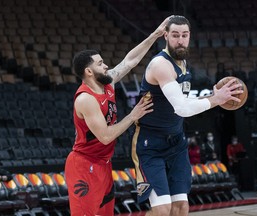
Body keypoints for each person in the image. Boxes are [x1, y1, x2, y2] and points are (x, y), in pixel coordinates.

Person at [131, 15, 244, 216]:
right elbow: (181, 109)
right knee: (163, 210)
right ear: (165, 36)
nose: (180, 40)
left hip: (176, 143)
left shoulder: (183, 63)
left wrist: (214, 96)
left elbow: (185, 103)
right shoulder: (161, 65)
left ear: (190, 36)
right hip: (151, 144)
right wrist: (216, 99)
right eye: (175, 35)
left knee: (181, 207)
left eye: (184, 35)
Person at [64, 17, 171, 216]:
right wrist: (133, 115)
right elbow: (105, 136)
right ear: (89, 71)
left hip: (104, 163)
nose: (106, 66)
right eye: (100, 63)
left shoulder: (108, 83)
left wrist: (155, 35)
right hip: (84, 164)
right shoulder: (86, 99)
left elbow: (129, 61)